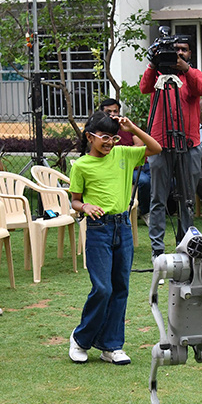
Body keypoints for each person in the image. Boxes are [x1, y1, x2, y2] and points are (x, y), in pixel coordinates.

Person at [67, 112, 162, 364]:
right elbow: (75, 200)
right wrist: (84, 206)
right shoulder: (81, 166)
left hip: (123, 228)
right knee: (102, 287)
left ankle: (111, 345)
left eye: (114, 138)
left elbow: (156, 147)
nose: (109, 143)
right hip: (99, 229)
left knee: (120, 287)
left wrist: (132, 127)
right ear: (90, 137)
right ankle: (80, 339)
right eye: (104, 137)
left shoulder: (124, 154)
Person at [140, 38, 202, 258]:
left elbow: (201, 88)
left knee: (187, 199)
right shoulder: (157, 76)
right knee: (158, 198)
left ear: (189, 54)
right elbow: (143, 88)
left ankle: (185, 244)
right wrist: (153, 63)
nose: (178, 54)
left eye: (183, 50)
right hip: (160, 144)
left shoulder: (192, 75)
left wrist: (185, 69)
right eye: (174, 50)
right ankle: (157, 249)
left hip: (188, 144)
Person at [99, 97, 148, 221]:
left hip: (139, 163)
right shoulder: (100, 129)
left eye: (115, 111)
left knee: (162, 176)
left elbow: (140, 144)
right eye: (108, 112)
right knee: (144, 181)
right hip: (122, 166)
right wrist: (129, 159)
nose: (113, 114)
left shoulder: (126, 126)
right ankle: (145, 212)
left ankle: (156, 210)